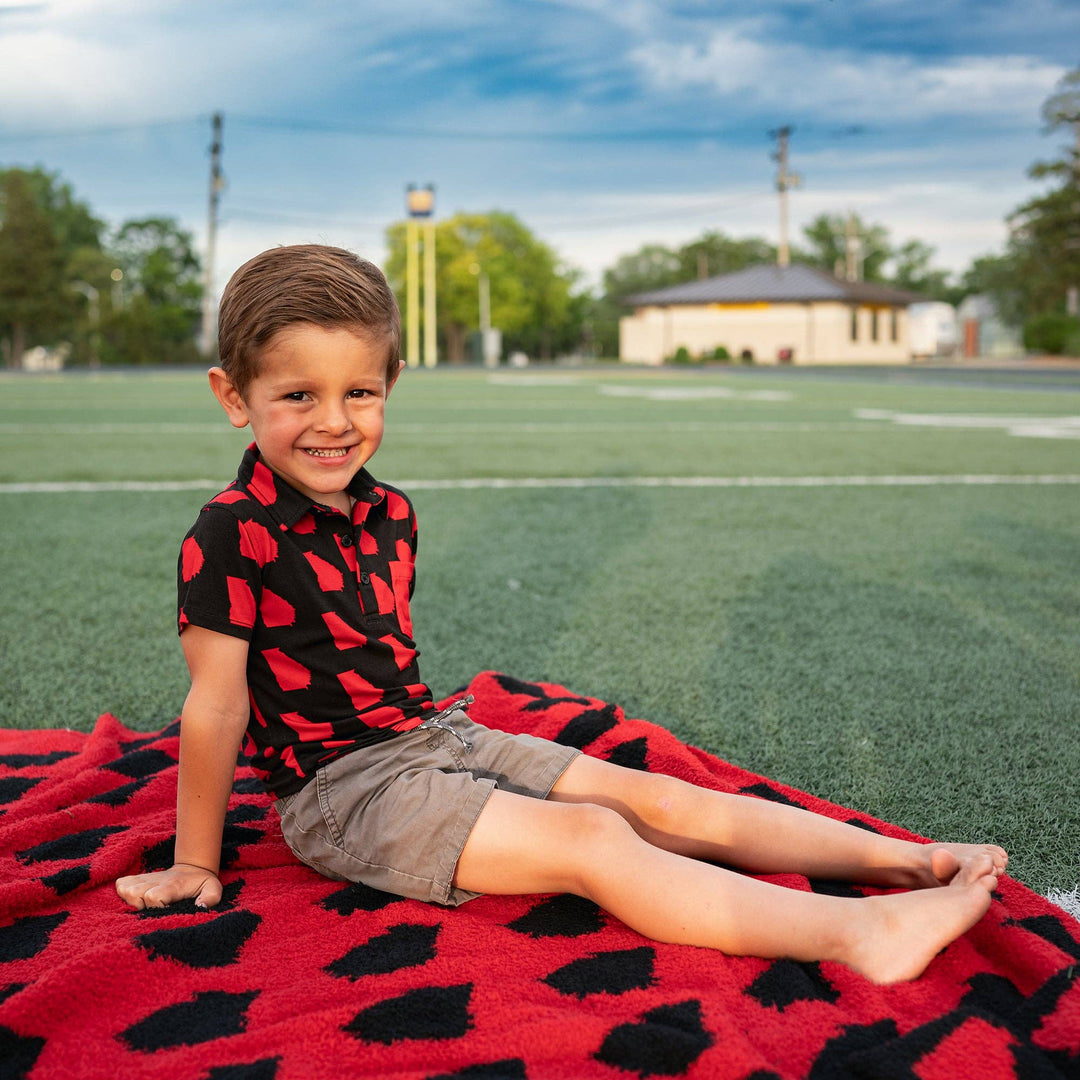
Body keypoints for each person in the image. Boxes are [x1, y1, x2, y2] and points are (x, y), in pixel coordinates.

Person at [116, 244, 1008, 984]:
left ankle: (901, 861)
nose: (335, 422)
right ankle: (859, 937)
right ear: (235, 397)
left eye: (359, 392)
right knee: (592, 838)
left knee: (646, 794)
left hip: (433, 739)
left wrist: (450, 753)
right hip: (342, 795)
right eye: (297, 396)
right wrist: (197, 861)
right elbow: (219, 705)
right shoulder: (231, 533)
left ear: (390, 381)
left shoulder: (392, 512)